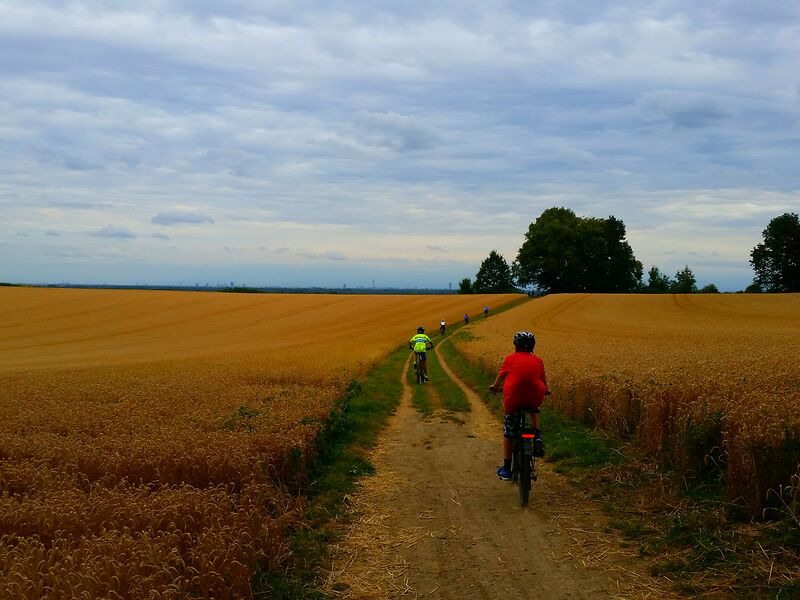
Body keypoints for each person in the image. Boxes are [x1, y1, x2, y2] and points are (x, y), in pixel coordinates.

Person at [489, 331, 547, 481]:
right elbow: (543, 381)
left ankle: (507, 469)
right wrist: (545, 391)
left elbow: (500, 377)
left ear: (516, 346)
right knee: (534, 409)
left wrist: (494, 387)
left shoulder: (510, 359)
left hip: (513, 398)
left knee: (509, 432)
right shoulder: (538, 361)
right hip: (534, 396)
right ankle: (538, 435)